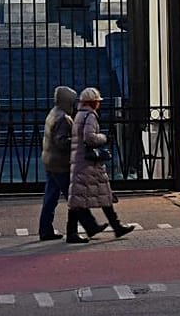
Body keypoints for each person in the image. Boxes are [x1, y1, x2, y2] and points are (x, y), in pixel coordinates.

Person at [66, 86, 134, 244]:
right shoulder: (89, 115)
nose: (99, 104)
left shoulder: (79, 115)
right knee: (100, 195)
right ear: (93, 102)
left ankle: (110, 227)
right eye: (97, 101)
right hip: (89, 163)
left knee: (81, 197)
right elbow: (90, 138)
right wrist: (103, 138)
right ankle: (114, 227)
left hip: (80, 161)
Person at [37, 85, 77, 240]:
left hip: (50, 161)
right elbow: (61, 142)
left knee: (51, 197)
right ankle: (88, 226)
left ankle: (45, 230)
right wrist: (77, 140)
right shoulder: (63, 118)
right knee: (74, 197)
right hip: (60, 164)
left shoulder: (53, 113)